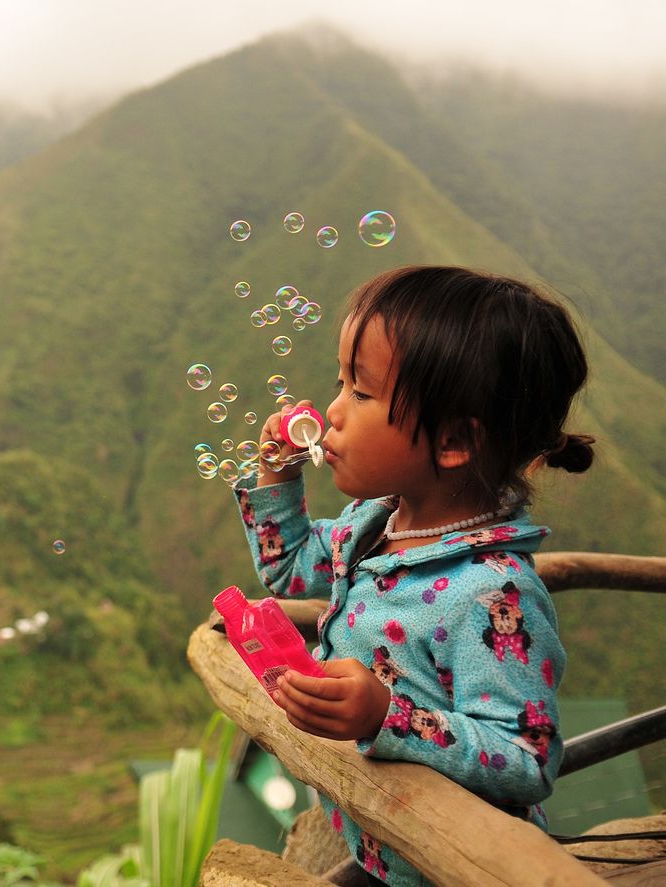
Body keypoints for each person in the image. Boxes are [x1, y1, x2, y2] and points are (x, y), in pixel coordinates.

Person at [230, 265, 594, 887]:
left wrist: (385, 714)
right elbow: (289, 569)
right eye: (341, 383)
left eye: (361, 393)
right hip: (379, 846)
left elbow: (527, 759)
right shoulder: (376, 524)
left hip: (454, 869)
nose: (333, 412)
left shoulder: (493, 592)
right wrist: (277, 476)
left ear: (452, 441)